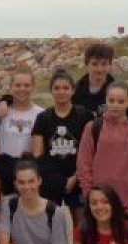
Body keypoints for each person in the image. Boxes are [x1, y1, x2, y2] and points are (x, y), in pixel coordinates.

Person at [77, 81, 128, 222]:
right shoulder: (93, 127)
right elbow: (84, 164)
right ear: (105, 100)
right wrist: (89, 195)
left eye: (121, 101)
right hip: (101, 202)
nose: (115, 105)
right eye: (111, 100)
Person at [32, 69, 94, 216]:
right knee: (49, 221)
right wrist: (58, 180)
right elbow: (38, 155)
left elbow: (91, 152)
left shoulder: (84, 115)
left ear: (73, 90)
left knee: (81, 223)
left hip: (79, 177)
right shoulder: (43, 118)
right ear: (51, 91)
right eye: (57, 88)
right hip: (51, 178)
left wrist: (75, 177)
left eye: (66, 88)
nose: (61, 92)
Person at [0, 71, 44, 193]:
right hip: (3, 168)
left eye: (26, 85)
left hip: (28, 171)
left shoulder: (41, 114)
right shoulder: (0, 111)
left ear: (33, 87)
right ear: (11, 87)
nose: (22, 89)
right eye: (17, 85)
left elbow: (41, 148)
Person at [73, 44, 115, 116]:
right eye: (94, 64)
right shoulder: (75, 90)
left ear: (110, 65)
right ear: (87, 64)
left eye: (104, 64)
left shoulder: (117, 90)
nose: (99, 69)